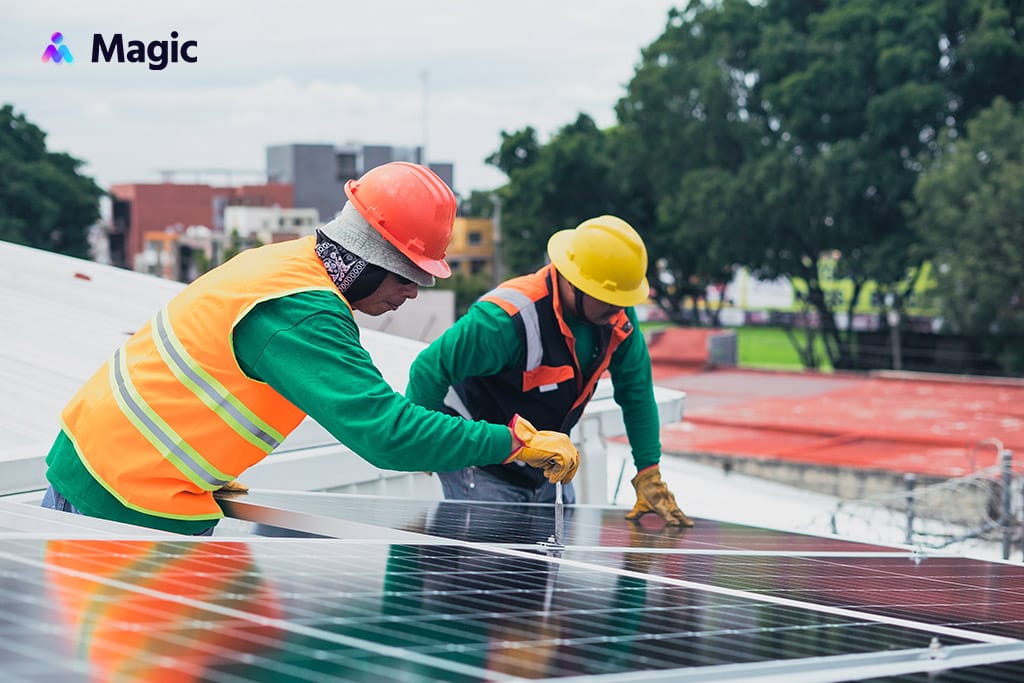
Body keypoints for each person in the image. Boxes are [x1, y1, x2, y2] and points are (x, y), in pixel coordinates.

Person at [40, 162, 579, 535]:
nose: (414, 292)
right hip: (121, 495)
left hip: (109, 466)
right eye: (410, 275)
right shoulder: (303, 311)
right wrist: (513, 442)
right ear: (371, 256)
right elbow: (386, 435)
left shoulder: (286, 264)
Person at [405, 215, 693, 527]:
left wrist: (648, 471)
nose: (619, 309)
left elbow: (636, 393)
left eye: (623, 300)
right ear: (573, 282)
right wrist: (425, 445)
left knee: (545, 562)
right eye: (610, 299)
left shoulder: (616, 321)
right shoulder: (506, 319)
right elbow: (429, 369)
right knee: (490, 563)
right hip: (482, 463)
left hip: (547, 461)